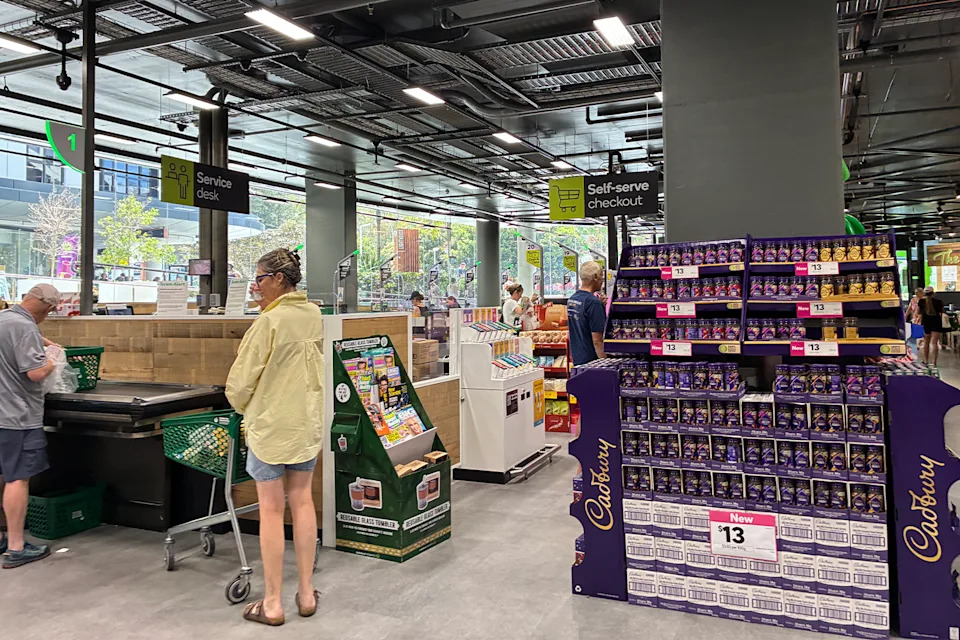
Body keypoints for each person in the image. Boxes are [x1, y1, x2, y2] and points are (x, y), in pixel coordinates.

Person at [226, 249, 324, 626]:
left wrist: (241, 404)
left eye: (261, 278)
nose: (257, 285)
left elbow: (240, 383)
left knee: (270, 509)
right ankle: (305, 593)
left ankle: (272, 603)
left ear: (280, 279)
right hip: (305, 426)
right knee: (301, 501)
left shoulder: (268, 323)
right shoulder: (313, 314)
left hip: (270, 427)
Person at [0, 283, 61, 568]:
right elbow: (35, 373)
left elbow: (22, 338)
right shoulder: (24, 328)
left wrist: (42, 341)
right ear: (47, 308)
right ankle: (15, 546)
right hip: (17, 417)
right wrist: (51, 360)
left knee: (2, 475)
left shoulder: (5, 319)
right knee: (17, 478)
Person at [567, 261, 607, 366]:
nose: (602, 279)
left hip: (578, 359)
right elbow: (597, 340)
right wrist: (606, 363)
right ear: (595, 277)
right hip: (592, 362)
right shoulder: (593, 302)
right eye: (601, 275)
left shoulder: (572, 299)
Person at [919, 285, 946, 366]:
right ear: (933, 293)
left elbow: (918, 313)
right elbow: (941, 312)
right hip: (936, 322)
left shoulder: (921, 301)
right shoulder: (939, 302)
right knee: (934, 343)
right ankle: (934, 362)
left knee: (926, 342)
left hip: (926, 322)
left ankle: (926, 360)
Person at [905, 287, 924, 357]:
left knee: (922, 330)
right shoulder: (913, 300)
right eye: (915, 292)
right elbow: (909, 308)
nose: (916, 293)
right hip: (915, 318)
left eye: (918, 292)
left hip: (922, 317)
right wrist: (905, 315)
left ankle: (919, 343)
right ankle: (918, 343)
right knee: (916, 331)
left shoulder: (924, 300)